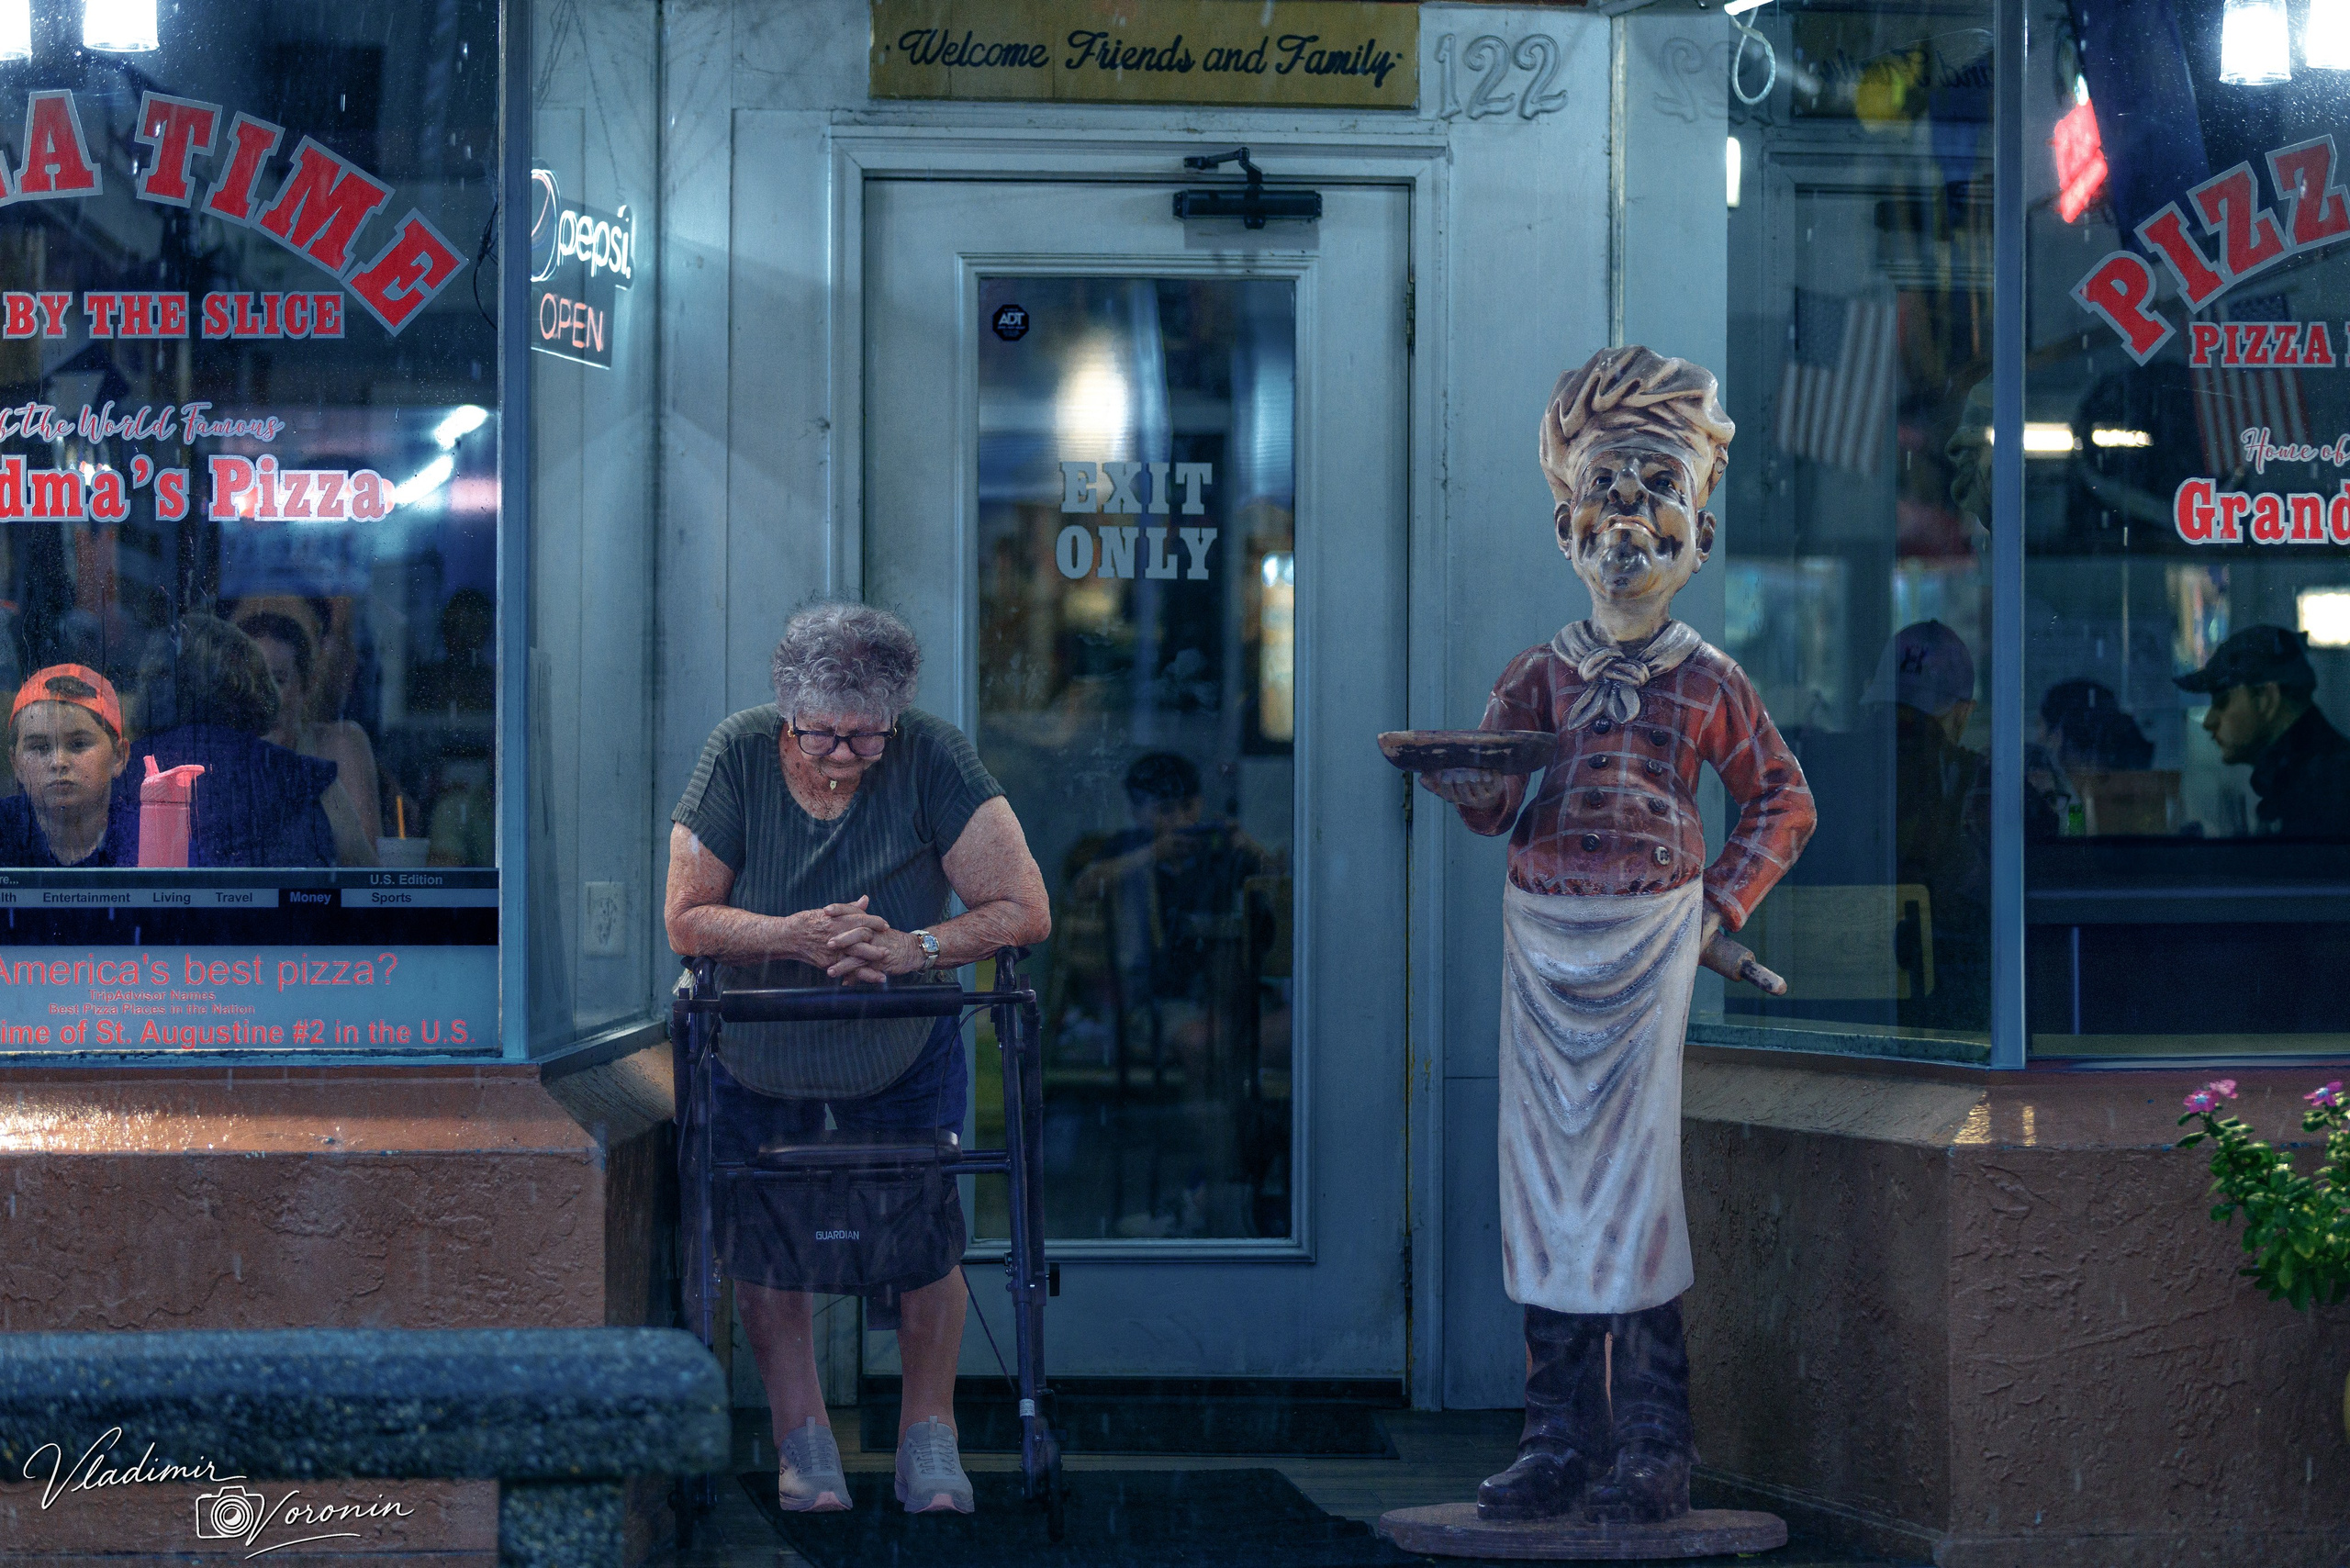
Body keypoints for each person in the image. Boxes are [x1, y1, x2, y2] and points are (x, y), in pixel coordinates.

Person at [1418, 346, 1815, 1525]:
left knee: (1633, 1191)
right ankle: (1555, 1437)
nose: (1629, 517)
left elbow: (1781, 802)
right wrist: (1461, 776)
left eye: (1657, 489)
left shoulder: (1711, 682)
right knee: (1542, 1188)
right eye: (1607, 490)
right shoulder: (1535, 673)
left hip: (1648, 944)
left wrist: (1713, 910)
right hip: (1543, 938)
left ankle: (1653, 1440)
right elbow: (1497, 807)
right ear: (1563, 528)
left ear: (1698, 532)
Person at [665, 600, 1051, 1518]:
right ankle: (804, 1439)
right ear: (784, 709)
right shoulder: (738, 752)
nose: (840, 756)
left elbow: (1022, 909)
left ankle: (929, 1436)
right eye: (819, 736)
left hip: (900, 1039)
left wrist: (911, 946)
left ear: (896, 717)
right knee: (770, 1240)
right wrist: (794, 935)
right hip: (762, 1045)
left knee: (921, 1235)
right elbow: (687, 917)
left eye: (863, 738)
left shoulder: (933, 756)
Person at [130, 615, 376, 868]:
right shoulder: (308, 781)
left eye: (281, 677)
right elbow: (372, 888)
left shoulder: (118, 774)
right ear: (249, 686)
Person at [2177, 624, 2350, 839]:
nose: (2209, 722)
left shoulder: (2324, 790)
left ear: (2265, 699)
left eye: (2222, 703)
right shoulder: (2313, 778)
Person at [235, 610, 386, 843]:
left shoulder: (341, 745)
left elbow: (365, 869)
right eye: (252, 681)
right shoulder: (225, 760)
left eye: (279, 679)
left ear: (306, 685)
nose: (265, 697)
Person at [0, 665, 136, 867]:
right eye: (39, 747)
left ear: (118, 757)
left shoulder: (148, 834)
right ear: (16, 764)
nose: (58, 762)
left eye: (78, 744)